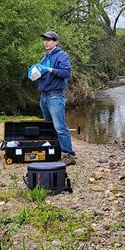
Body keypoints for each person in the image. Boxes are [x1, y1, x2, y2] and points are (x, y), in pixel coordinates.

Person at [31, 31, 76, 166]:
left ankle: (68, 154)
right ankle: (55, 150)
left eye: (49, 40)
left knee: (60, 126)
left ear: (56, 42)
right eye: (44, 40)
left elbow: (66, 72)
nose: (46, 42)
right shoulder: (45, 57)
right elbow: (42, 74)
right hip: (44, 96)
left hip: (55, 95)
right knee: (49, 126)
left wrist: (49, 69)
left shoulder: (62, 55)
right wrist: (34, 73)